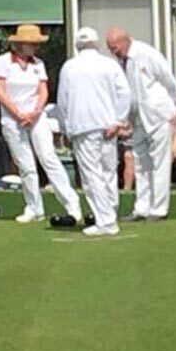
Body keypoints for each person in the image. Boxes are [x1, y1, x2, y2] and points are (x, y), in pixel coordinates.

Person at [0, 24, 83, 223]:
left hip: (36, 116)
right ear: (20, 44)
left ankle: (72, 205)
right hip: (12, 118)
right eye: (32, 43)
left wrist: (35, 112)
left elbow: (43, 90)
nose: (35, 47)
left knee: (49, 157)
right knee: (25, 164)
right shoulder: (3, 62)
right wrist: (17, 113)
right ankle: (34, 207)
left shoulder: (38, 64)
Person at [56, 26, 131, 236]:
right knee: (107, 173)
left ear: (78, 45)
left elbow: (63, 101)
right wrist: (118, 121)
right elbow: (124, 93)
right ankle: (110, 214)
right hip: (108, 126)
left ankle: (105, 221)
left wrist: (66, 128)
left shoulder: (69, 67)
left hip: (83, 127)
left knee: (92, 176)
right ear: (97, 44)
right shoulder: (109, 65)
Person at [106, 27, 176, 221]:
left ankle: (159, 209)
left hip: (158, 116)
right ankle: (141, 208)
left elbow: (168, 80)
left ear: (124, 41)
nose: (114, 53)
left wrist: (175, 107)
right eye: (110, 50)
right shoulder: (122, 62)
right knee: (140, 162)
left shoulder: (147, 54)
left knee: (159, 163)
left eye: (115, 48)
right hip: (138, 119)